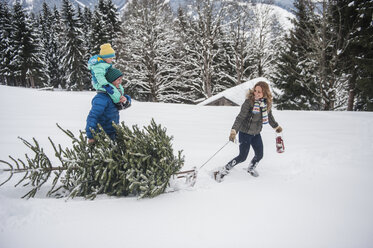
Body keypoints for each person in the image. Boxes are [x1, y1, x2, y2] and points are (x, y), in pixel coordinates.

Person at [215, 81, 282, 181]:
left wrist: (276, 127)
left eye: (259, 91)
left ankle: (251, 168)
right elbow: (240, 118)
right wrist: (234, 131)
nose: (256, 93)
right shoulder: (249, 102)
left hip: (256, 134)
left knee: (259, 155)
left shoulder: (266, 104)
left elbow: (269, 117)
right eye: (255, 91)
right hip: (245, 133)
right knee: (242, 157)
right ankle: (224, 170)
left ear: (265, 92)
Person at [86, 67, 130, 144]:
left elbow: (122, 105)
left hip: (113, 133)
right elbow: (93, 116)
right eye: (118, 80)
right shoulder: (101, 98)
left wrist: (126, 99)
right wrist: (91, 136)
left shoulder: (114, 95)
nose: (120, 82)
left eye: (121, 79)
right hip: (102, 135)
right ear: (110, 82)